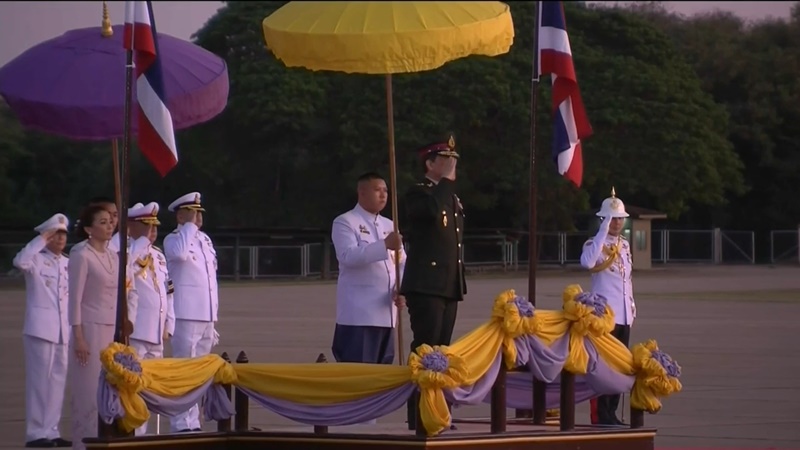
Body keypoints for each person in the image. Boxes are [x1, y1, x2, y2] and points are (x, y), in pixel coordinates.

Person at [400, 135, 466, 430]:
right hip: (426, 284)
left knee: (441, 353)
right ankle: (419, 416)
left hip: (448, 284)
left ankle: (437, 412)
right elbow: (425, 214)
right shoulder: (420, 193)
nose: (453, 165)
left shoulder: (447, 196)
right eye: (446, 160)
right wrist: (445, 184)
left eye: (454, 160)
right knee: (425, 351)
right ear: (430, 163)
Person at [68, 205, 137, 450]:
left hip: (111, 333)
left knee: (109, 393)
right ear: (88, 228)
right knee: (87, 394)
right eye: (103, 222)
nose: (109, 226)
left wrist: (127, 321)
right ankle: (82, 443)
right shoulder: (81, 254)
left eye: (111, 222)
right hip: (88, 328)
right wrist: (78, 337)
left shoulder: (113, 256)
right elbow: (74, 299)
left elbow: (124, 293)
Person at [330, 172, 407, 368]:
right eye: (377, 190)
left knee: (382, 374)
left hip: (387, 312)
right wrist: (383, 246)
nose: (383, 195)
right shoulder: (345, 221)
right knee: (359, 373)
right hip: (359, 315)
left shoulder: (390, 225)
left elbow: (400, 263)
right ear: (362, 192)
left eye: (385, 191)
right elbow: (348, 256)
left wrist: (401, 288)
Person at [12, 213, 72, 448]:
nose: (60, 239)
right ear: (46, 236)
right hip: (40, 329)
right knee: (39, 382)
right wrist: (40, 240)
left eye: (63, 234)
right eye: (55, 234)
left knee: (57, 382)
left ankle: (52, 429)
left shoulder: (68, 262)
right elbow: (19, 261)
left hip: (62, 330)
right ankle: (36, 433)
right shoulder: (36, 259)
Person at [163, 192, 219, 433]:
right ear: (180, 215)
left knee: (199, 372)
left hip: (205, 314)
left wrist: (213, 316)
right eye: (192, 213)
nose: (198, 217)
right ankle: (181, 423)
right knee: (183, 369)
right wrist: (187, 227)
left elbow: (210, 280)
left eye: (199, 213)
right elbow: (179, 255)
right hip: (185, 313)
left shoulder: (205, 241)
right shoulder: (174, 239)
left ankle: (194, 421)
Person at [580, 187, 636, 426]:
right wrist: (602, 230)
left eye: (620, 219)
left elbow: (627, 281)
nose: (616, 223)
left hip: (623, 315)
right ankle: (601, 415)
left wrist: (632, 308)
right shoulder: (594, 244)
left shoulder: (624, 246)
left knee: (619, 366)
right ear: (604, 220)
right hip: (605, 316)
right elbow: (587, 263)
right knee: (604, 367)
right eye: (612, 219)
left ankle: (611, 412)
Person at [126, 202, 175, 436]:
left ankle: (148, 435)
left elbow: (168, 292)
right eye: (146, 227)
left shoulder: (158, 256)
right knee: (133, 384)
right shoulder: (125, 250)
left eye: (154, 228)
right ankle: (135, 433)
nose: (151, 233)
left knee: (153, 386)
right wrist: (139, 244)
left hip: (157, 331)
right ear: (132, 227)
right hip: (136, 330)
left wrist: (169, 323)